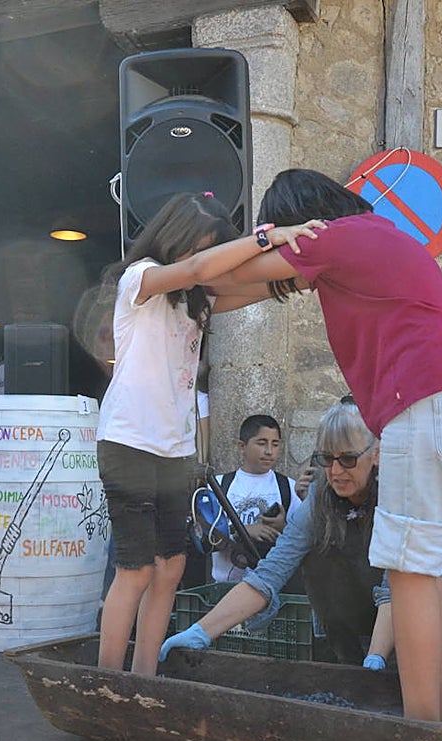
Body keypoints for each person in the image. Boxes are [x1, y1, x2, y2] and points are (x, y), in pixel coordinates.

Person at [199, 169, 442, 722]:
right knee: (426, 572)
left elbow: (229, 277)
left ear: (299, 218)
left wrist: (176, 275)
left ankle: (422, 733)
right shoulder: (379, 238)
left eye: (283, 228)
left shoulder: (333, 237)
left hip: (425, 402)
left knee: (407, 575)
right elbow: (256, 289)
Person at [95, 191, 323, 675]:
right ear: (173, 237)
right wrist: (265, 237)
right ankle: (108, 681)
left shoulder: (196, 302)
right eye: (199, 246)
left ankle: (145, 677)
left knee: (171, 568)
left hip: (174, 450)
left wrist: (304, 275)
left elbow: (253, 286)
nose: (204, 258)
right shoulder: (139, 281)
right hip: (128, 442)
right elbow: (200, 268)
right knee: (134, 570)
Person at [161, 402, 442, 667]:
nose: (336, 471)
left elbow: (393, 588)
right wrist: (201, 632)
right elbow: (270, 573)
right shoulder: (320, 497)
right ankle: (350, 662)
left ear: (377, 454)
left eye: (347, 459)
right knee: (315, 559)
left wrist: (375, 659)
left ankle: (383, 663)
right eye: (327, 459)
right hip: (370, 601)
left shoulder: (399, 495)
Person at [206, 414, 302, 585]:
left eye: (275, 444)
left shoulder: (288, 488)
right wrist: (242, 531)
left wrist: (283, 528)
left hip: (273, 587)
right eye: (261, 443)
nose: (269, 451)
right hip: (225, 587)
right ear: (242, 446)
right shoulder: (218, 486)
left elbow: (302, 541)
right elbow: (205, 539)